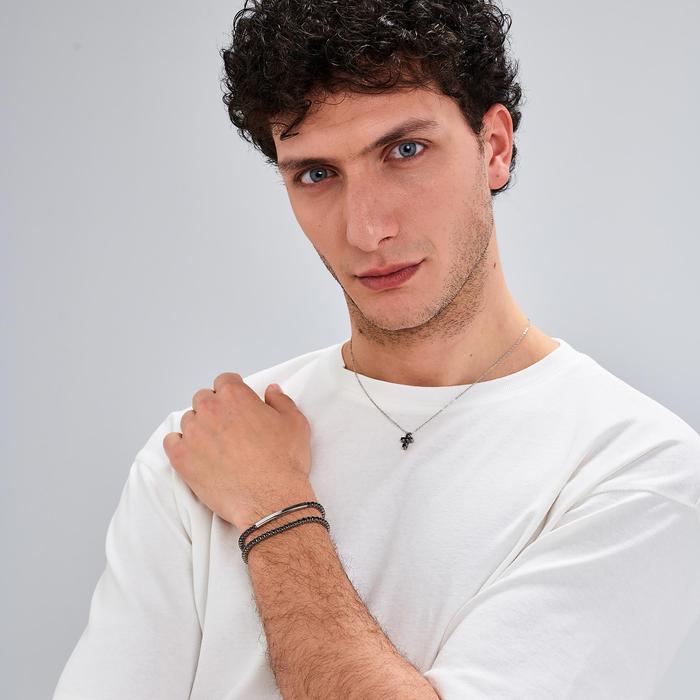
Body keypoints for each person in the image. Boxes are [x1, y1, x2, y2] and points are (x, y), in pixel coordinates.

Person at [53, 1, 700, 698]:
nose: (366, 230)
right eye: (316, 174)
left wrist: (274, 508)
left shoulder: (635, 465)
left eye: (405, 151)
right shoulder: (204, 448)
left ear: (494, 148)